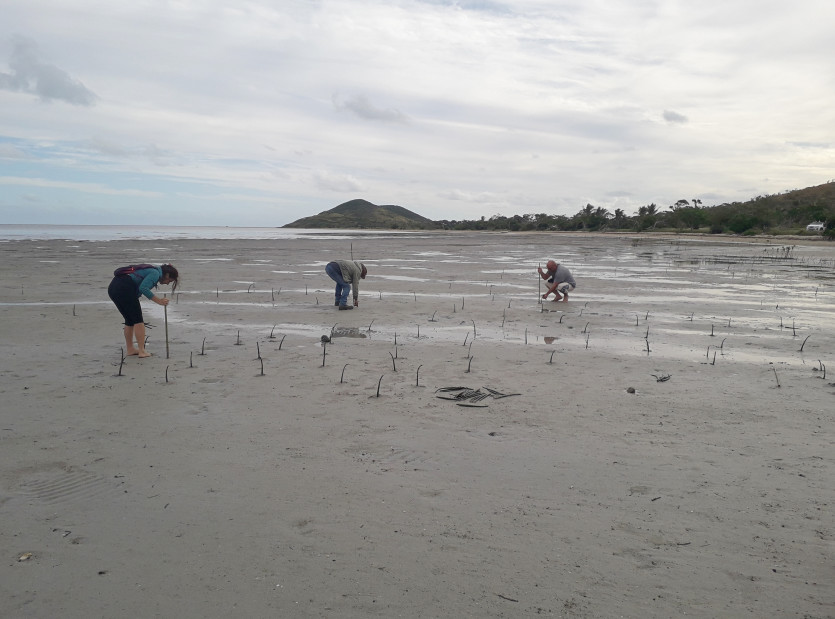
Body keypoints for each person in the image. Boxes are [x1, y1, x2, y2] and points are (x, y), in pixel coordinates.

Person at [108, 264, 179, 357]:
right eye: (169, 281)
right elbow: (143, 288)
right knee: (138, 320)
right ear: (167, 275)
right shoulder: (155, 273)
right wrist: (159, 301)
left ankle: (130, 349)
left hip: (113, 288)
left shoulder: (152, 270)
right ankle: (142, 351)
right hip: (124, 288)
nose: (167, 283)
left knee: (129, 320)